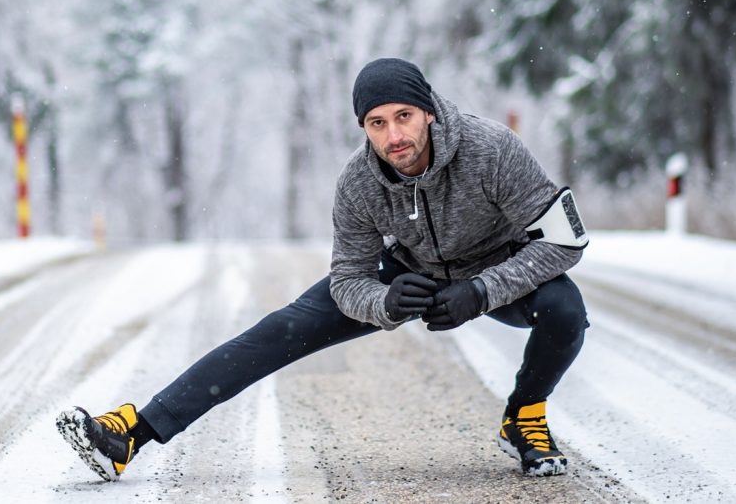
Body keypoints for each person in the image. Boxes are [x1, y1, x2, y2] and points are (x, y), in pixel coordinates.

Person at [57, 57, 590, 480]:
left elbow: (567, 240)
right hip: (407, 273)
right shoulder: (358, 182)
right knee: (276, 332)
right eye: (377, 124)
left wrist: (482, 290)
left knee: (565, 311)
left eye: (403, 116)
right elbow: (348, 277)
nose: (394, 136)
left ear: (428, 111)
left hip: (498, 264)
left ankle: (525, 414)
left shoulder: (492, 149)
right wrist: (382, 302)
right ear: (365, 128)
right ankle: (132, 432)